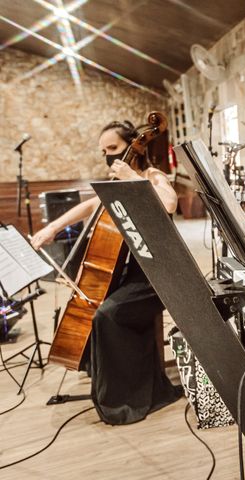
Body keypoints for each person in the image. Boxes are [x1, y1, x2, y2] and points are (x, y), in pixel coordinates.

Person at [31, 120, 182, 425]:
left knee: (108, 315)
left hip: (158, 275)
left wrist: (131, 178)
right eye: (103, 151)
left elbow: (169, 203)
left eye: (112, 148)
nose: (108, 156)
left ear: (133, 146)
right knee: (96, 307)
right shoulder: (114, 186)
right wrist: (50, 229)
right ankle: (116, 383)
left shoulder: (153, 176)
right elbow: (88, 205)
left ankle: (128, 400)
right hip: (133, 274)